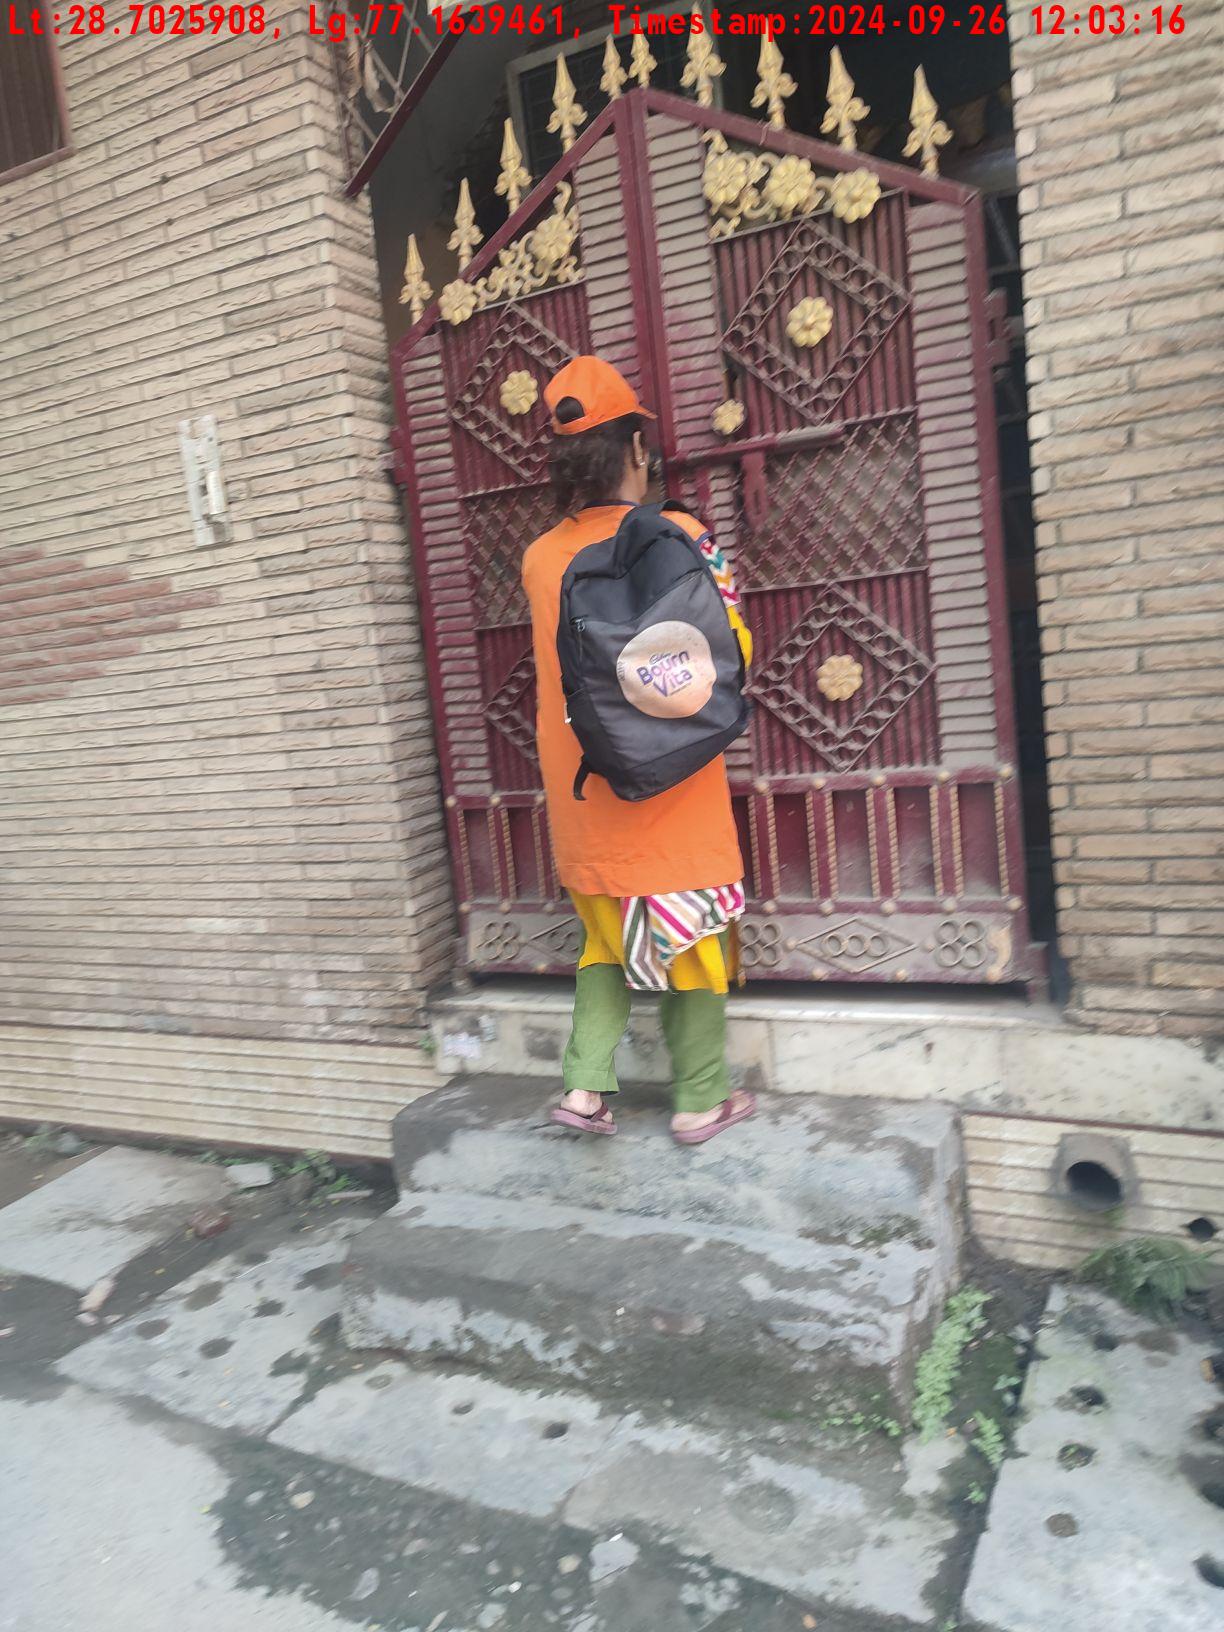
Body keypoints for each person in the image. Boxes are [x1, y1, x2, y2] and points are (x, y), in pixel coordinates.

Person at [521, 355, 757, 1146]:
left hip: (584, 784)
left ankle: (584, 1089)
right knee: (692, 943)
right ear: (635, 449)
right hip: (671, 780)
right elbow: (733, 649)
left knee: (602, 940)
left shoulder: (539, 559)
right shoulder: (684, 537)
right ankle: (700, 1100)